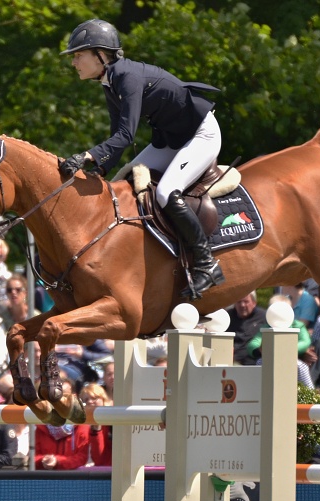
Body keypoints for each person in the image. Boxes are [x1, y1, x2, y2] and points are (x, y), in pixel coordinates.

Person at [59, 19, 223, 297]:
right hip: (171, 139)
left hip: (200, 134)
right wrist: (100, 168)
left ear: (100, 55)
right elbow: (117, 137)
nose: (74, 62)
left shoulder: (127, 77)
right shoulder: (109, 82)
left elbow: (126, 134)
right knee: (123, 179)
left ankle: (206, 263)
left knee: (166, 192)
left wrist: (87, 155)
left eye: (78, 55)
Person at [227, 292, 268, 365]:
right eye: (239, 302)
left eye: (246, 302)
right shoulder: (227, 317)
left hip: (253, 363)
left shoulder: (264, 317)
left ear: (254, 303)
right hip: (230, 363)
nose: (242, 305)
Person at [81, 382, 112, 467]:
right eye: (86, 400)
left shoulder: (111, 423)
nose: (90, 402)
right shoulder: (81, 424)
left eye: (94, 398)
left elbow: (100, 459)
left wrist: (97, 430)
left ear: (103, 399)